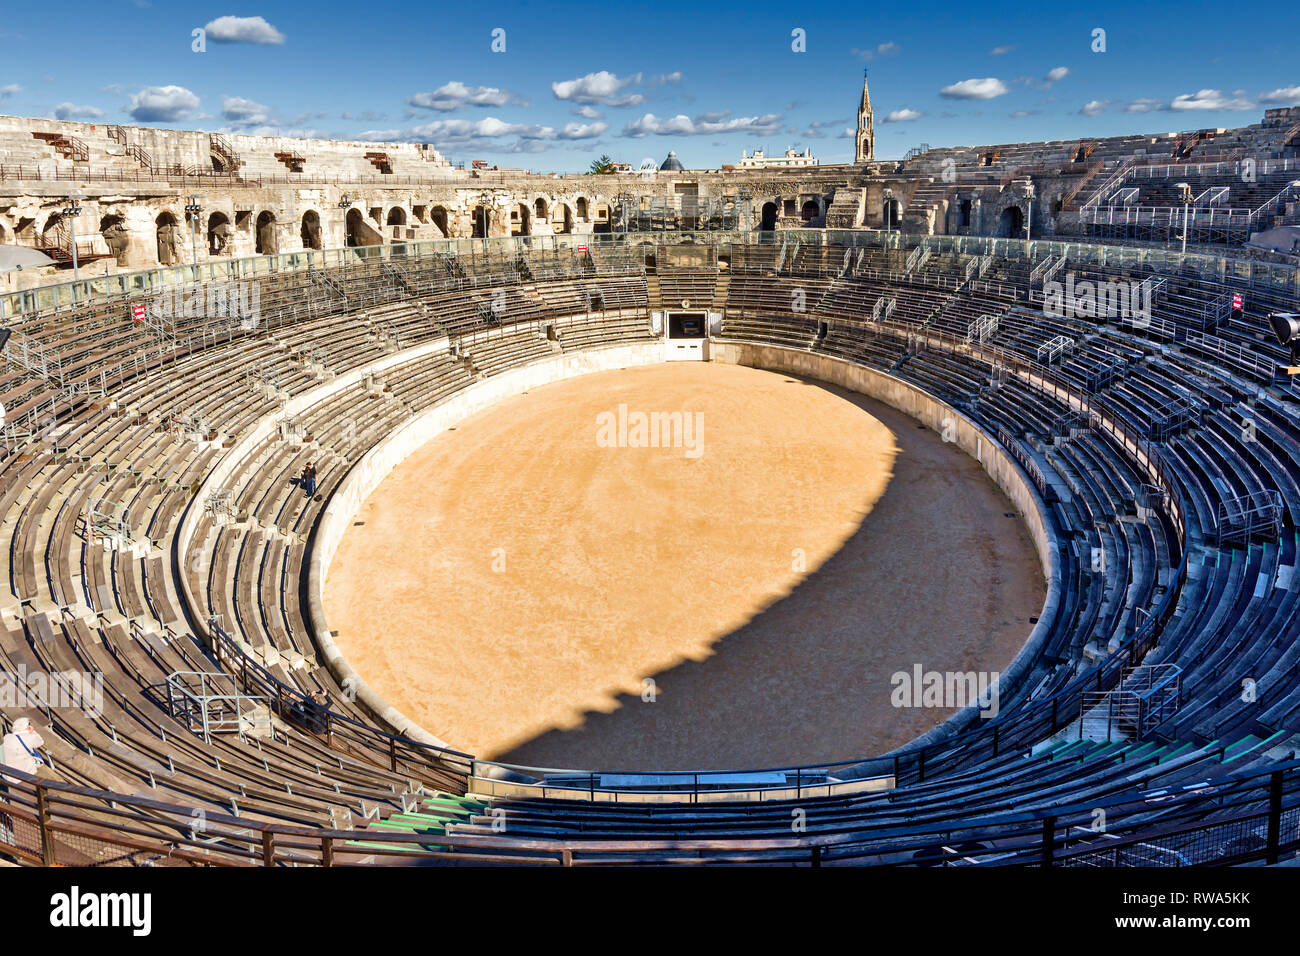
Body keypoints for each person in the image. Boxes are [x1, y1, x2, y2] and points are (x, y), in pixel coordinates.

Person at [2, 717, 46, 787]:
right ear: (27, 727)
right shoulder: (30, 738)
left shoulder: (7, 737)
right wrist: (33, 731)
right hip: (21, 771)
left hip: (6, 772)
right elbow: (40, 742)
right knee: (34, 755)